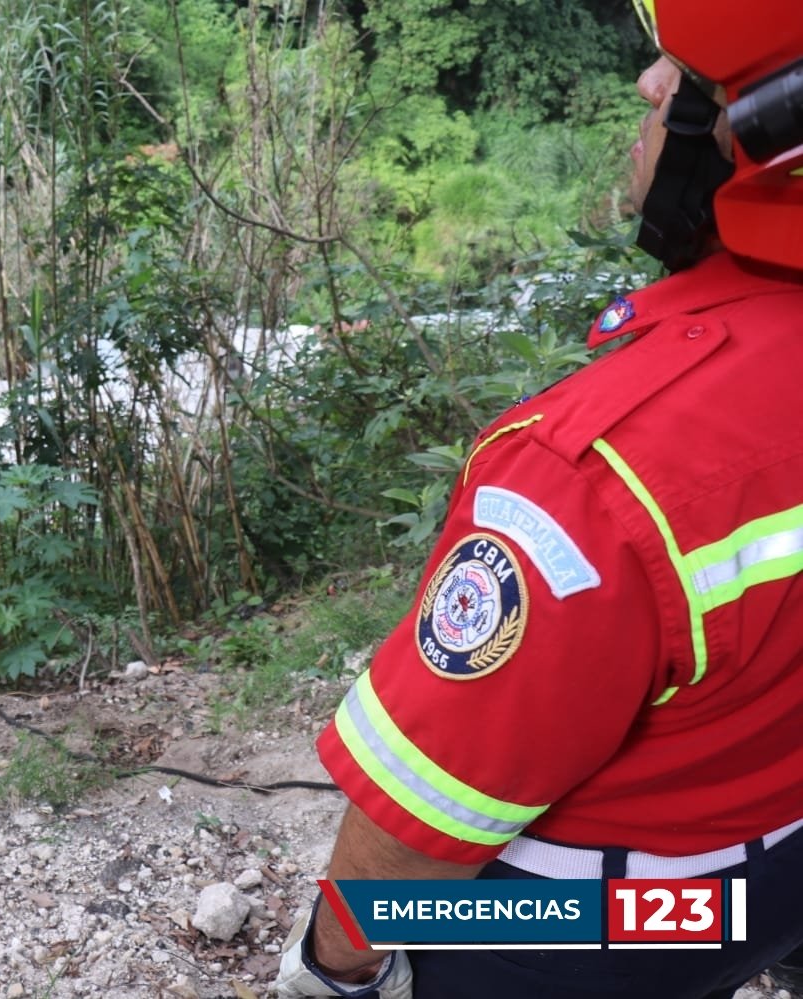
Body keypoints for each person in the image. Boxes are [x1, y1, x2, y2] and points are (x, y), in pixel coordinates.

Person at [273, 1, 803, 996]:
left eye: (685, 74)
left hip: (654, 918)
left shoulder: (594, 475)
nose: (652, 88)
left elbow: (421, 814)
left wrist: (330, 967)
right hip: (779, 871)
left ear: (777, 130)